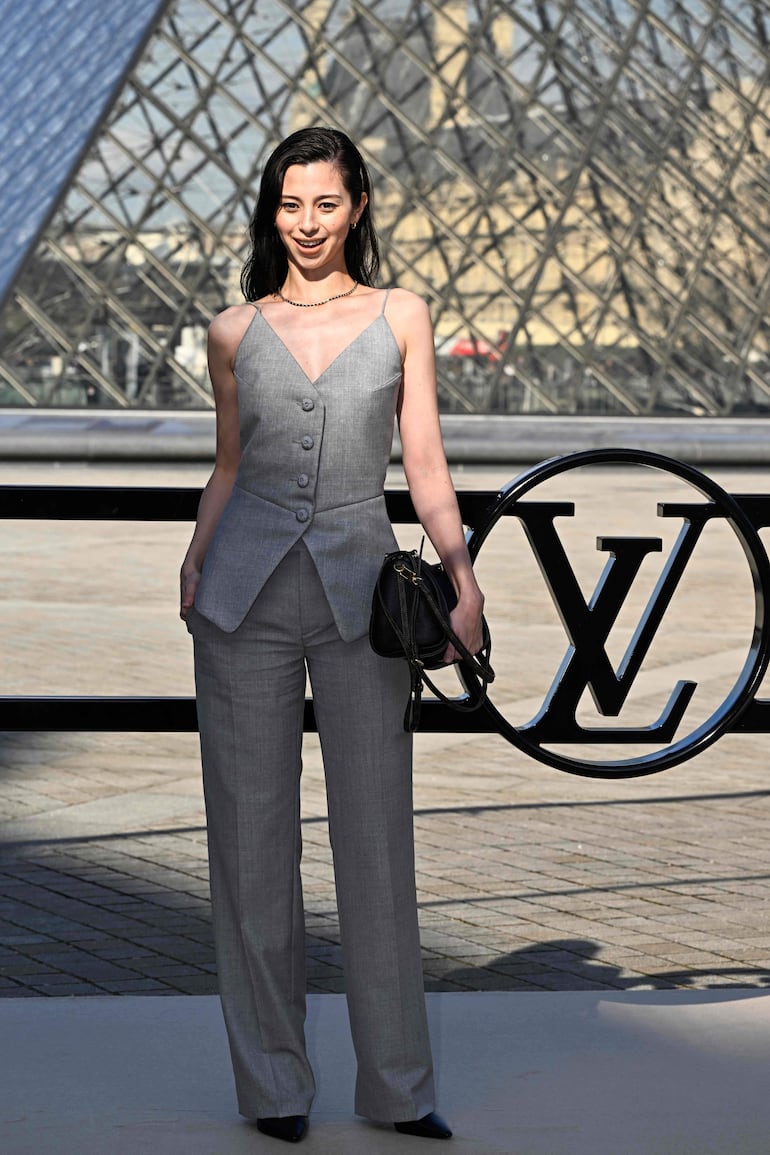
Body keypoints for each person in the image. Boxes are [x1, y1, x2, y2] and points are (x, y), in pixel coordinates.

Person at [180, 126, 485, 1145]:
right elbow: (228, 465)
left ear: (355, 205)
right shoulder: (232, 330)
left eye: (323, 203)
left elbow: (426, 462)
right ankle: (272, 1086)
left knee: (374, 839)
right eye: (287, 205)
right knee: (247, 845)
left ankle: (397, 1088)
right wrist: (194, 559)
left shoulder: (400, 313)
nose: (305, 224)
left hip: (363, 597)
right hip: (241, 599)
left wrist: (460, 576)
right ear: (271, 213)